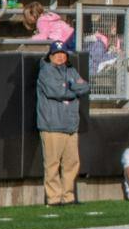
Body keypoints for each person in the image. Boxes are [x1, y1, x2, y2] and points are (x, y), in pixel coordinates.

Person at [36, 43, 91, 206]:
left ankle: (68, 197)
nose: (60, 56)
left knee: (72, 163)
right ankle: (54, 198)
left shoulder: (71, 70)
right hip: (52, 124)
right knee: (52, 164)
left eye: (63, 53)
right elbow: (56, 92)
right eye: (56, 53)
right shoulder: (46, 71)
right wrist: (73, 89)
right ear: (50, 56)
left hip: (70, 125)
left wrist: (70, 88)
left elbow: (85, 86)